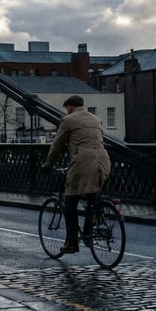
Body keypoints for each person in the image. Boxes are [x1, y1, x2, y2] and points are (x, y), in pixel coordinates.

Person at [41, 95, 111, 254]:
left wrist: (47, 165)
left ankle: (72, 242)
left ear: (70, 107)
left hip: (83, 162)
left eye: (67, 108)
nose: (66, 111)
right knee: (92, 197)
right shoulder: (96, 119)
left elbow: (56, 147)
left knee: (70, 201)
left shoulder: (68, 120)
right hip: (104, 161)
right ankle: (88, 234)